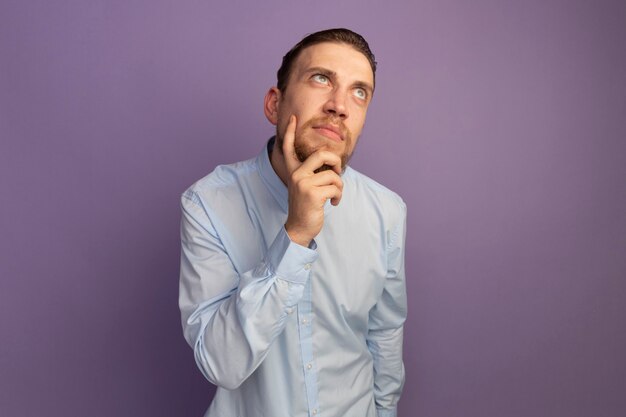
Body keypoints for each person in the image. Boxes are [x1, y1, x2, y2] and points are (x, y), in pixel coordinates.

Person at [179, 28, 407, 417]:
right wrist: (296, 236)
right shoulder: (207, 203)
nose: (339, 105)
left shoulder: (386, 210)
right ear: (274, 104)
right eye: (321, 78)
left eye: (359, 92)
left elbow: (384, 335)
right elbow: (220, 363)